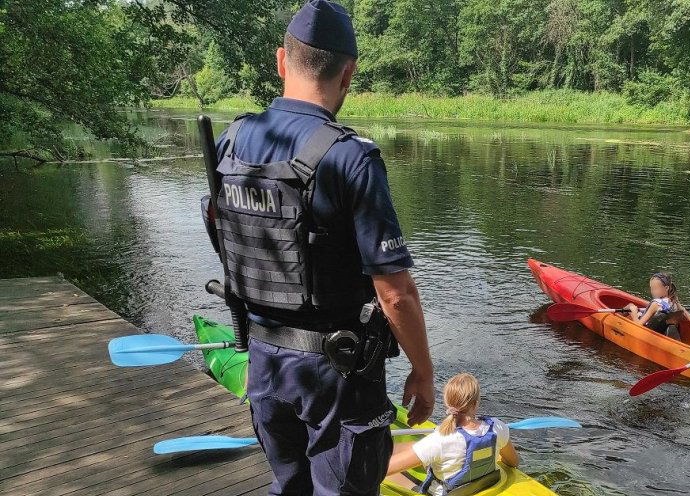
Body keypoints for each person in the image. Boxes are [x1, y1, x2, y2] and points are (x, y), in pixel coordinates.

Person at [200, 1, 434, 494]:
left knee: (288, 487)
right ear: (348, 74)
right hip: (337, 377)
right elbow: (395, 293)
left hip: (263, 360)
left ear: (282, 61)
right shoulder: (351, 158)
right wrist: (423, 371)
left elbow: (222, 232)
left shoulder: (233, 139)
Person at [386, 373, 519, 496]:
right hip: (481, 488)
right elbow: (513, 462)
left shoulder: (440, 440)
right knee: (417, 447)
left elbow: (382, 470)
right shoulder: (497, 427)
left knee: (386, 474)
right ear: (475, 404)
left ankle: (381, 453)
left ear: (447, 403)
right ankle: (388, 451)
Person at [623, 272, 690, 339]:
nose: (652, 291)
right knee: (634, 308)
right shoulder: (674, 302)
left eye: (655, 288)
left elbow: (638, 325)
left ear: (666, 288)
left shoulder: (655, 304)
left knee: (630, 306)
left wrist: (634, 312)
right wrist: (681, 307)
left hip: (646, 331)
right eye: (652, 288)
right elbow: (689, 318)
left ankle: (616, 320)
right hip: (661, 329)